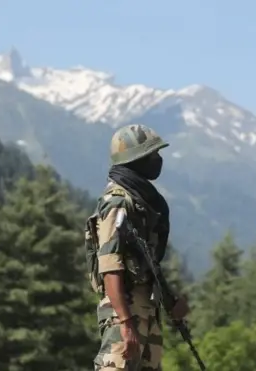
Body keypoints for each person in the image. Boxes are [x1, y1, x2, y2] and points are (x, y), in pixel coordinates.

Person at [87, 123, 189, 371]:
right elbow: (110, 265)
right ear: (136, 159)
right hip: (125, 311)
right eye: (152, 155)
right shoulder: (118, 202)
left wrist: (169, 301)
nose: (158, 160)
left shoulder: (140, 200)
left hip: (145, 309)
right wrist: (124, 321)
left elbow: (146, 262)